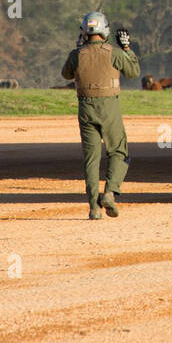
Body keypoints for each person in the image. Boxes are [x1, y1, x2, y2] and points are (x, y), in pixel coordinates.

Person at [61, 12, 139, 219]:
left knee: (91, 159)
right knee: (118, 151)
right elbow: (133, 73)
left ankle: (94, 207)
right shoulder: (114, 53)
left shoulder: (76, 55)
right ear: (104, 30)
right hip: (109, 107)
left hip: (85, 108)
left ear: (85, 31)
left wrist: (79, 48)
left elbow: (66, 74)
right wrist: (127, 49)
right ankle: (110, 193)